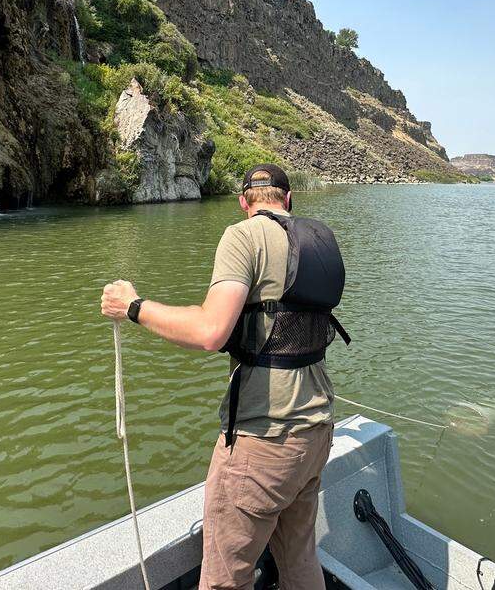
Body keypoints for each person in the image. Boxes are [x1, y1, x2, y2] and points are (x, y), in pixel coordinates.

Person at [101, 163, 348, 590]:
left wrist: (133, 306)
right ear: (288, 200)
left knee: (223, 580)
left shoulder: (243, 235)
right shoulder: (320, 239)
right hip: (317, 430)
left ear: (243, 203)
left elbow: (211, 331)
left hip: (263, 442)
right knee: (299, 560)